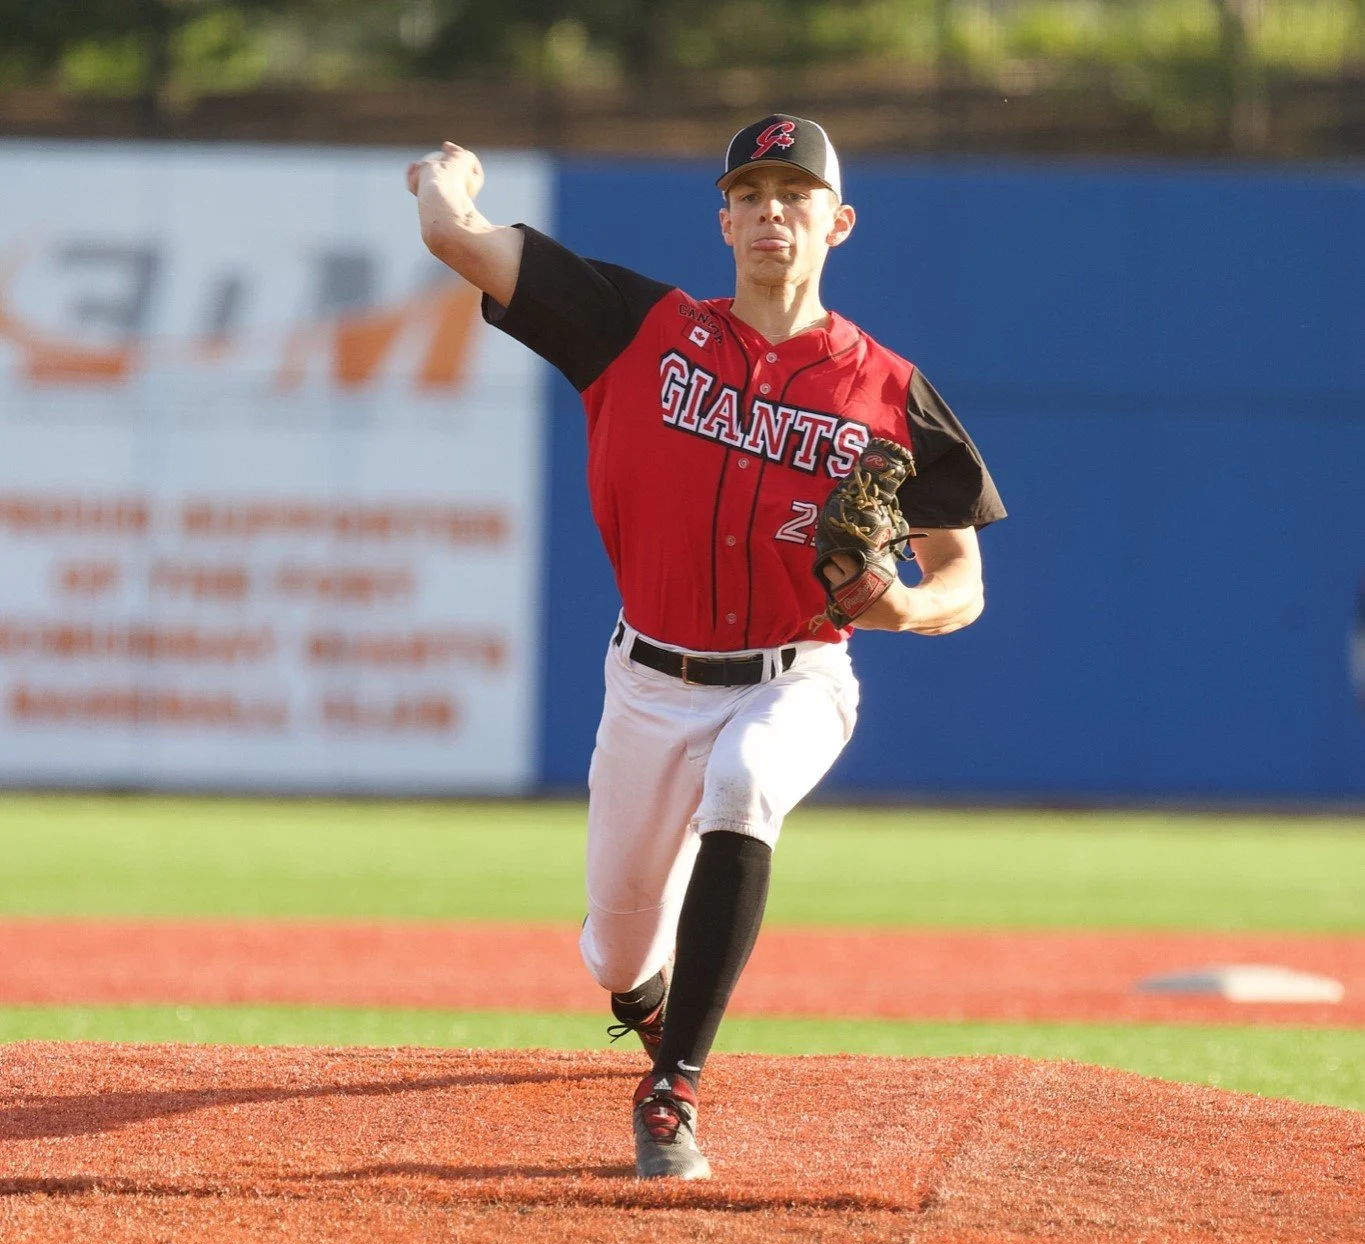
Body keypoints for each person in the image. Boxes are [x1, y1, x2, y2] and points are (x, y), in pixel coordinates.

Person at [409, 115, 1005, 1180]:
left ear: (839, 221)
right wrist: (446, 182)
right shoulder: (635, 327)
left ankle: (672, 1088)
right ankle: (646, 1003)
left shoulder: (887, 391)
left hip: (799, 672)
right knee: (618, 951)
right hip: (647, 682)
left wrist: (908, 609)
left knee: (746, 783)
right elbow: (461, 242)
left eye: (797, 193)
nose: (774, 211)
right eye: (753, 193)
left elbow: (960, 571)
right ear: (724, 217)